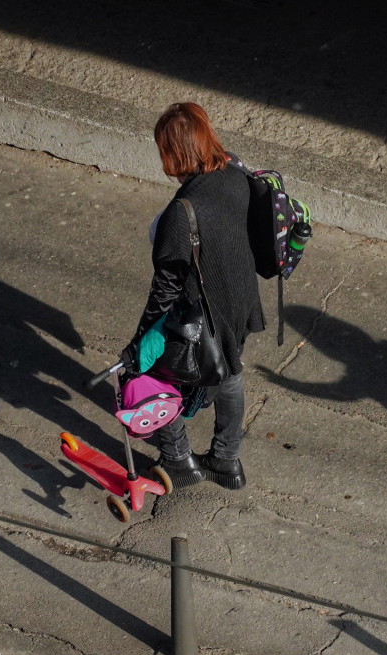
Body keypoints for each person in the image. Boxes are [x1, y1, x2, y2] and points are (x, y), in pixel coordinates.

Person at [125, 102, 263, 490]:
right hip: (241, 302)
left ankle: (178, 461)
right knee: (230, 373)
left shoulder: (179, 215)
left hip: (202, 317)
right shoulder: (235, 171)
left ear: (171, 154)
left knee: (147, 377)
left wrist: (140, 343)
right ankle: (225, 460)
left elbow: (164, 290)